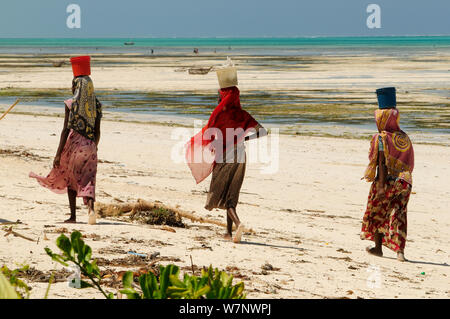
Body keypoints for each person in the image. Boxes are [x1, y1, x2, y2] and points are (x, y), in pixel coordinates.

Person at [185, 58, 267, 243]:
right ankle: (229, 233)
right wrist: (243, 138)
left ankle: (238, 225)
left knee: (220, 192)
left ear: (222, 97)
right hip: (241, 155)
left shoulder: (218, 114)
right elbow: (263, 132)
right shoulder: (242, 114)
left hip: (225, 156)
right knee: (232, 194)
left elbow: (209, 135)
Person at [30, 56, 102, 224]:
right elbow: (97, 130)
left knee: (71, 178)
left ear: (76, 87)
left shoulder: (70, 104)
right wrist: (94, 146)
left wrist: (58, 154)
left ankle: (73, 216)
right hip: (91, 144)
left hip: (75, 144)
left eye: (73, 84)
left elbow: (65, 130)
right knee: (88, 179)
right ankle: (91, 210)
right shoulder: (96, 105)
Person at [361, 87, 414, 262]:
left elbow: (381, 164)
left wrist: (382, 185)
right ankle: (400, 253)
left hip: (388, 180)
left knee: (377, 211)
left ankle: (378, 248)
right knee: (399, 214)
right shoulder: (404, 137)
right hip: (405, 181)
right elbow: (409, 162)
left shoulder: (381, 138)